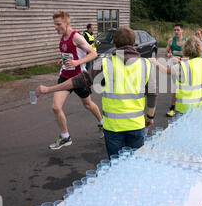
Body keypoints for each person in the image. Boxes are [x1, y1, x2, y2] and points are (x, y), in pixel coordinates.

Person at [36, 27, 157, 158]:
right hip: (136, 125)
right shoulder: (146, 64)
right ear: (134, 44)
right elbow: (152, 93)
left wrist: (49, 89)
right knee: (135, 164)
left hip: (113, 127)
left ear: (114, 44)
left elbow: (78, 81)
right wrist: (150, 117)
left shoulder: (105, 63)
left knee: (116, 166)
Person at [49, 11, 103, 150]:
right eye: (54, 24)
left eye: (58, 24)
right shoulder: (62, 37)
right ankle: (65, 137)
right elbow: (69, 54)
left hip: (79, 78)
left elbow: (93, 53)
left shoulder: (76, 37)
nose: (55, 27)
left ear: (67, 23)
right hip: (65, 76)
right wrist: (63, 61)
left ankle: (102, 123)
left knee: (88, 104)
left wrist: (77, 62)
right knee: (55, 106)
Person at [152, 37, 202, 114]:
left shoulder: (182, 65)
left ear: (185, 48)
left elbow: (165, 70)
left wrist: (155, 62)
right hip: (200, 105)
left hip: (185, 107)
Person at [165, 24, 187, 117]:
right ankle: (173, 107)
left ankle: (186, 105)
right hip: (175, 66)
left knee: (185, 86)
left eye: (178, 30)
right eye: (175, 30)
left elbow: (190, 54)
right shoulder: (171, 40)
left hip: (185, 65)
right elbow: (166, 52)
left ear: (182, 31)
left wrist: (181, 59)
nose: (176, 32)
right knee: (175, 87)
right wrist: (169, 55)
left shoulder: (187, 41)